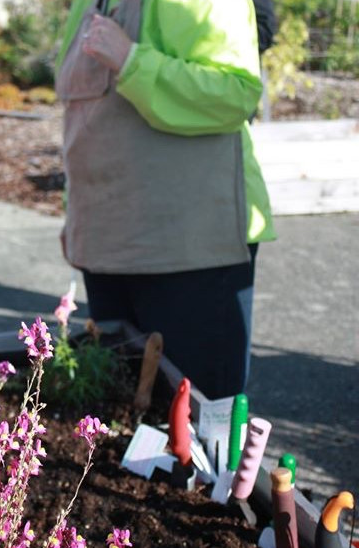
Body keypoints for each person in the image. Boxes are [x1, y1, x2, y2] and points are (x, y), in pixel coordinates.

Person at [55, 0, 276, 400]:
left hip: (191, 254)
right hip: (107, 246)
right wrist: (78, 216)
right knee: (120, 425)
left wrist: (130, 60)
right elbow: (82, 118)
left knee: (196, 429)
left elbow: (237, 94)